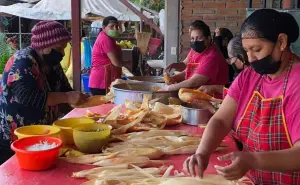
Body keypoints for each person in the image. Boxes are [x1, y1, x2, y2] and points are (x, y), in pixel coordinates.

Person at [183, 9, 300, 184]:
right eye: (247, 51)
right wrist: (202, 152)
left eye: (257, 49)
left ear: (281, 42)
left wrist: (253, 160)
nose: (251, 59)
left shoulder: (296, 82)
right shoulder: (249, 77)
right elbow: (222, 119)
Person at [0, 21, 88, 164]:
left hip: (43, 138)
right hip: (16, 139)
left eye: (64, 48)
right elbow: (28, 97)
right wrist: (66, 97)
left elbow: (65, 90)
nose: (63, 53)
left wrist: (80, 101)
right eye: (59, 48)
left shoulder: (52, 64)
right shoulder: (22, 61)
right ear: (44, 45)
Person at [162, 20, 228, 94]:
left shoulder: (212, 57)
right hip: (195, 96)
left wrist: (169, 88)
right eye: (192, 38)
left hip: (212, 100)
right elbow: (187, 69)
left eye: (199, 38)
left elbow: (194, 82)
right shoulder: (195, 50)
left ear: (208, 39)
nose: (195, 42)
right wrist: (173, 78)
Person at [89, 16, 123, 95]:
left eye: (116, 26)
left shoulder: (108, 38)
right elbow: (117, 63)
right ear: (104, 28)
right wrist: (127, 63)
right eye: (111, 26)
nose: (115, 29)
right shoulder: (105, 39)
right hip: (101, 82)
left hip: (102, 81)